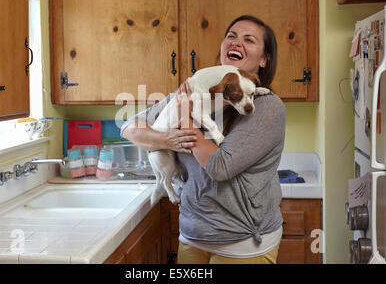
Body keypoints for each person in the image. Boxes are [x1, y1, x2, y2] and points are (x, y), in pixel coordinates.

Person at [121, 15, 286, 264]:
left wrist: (185, 121)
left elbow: (220, 166)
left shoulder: (266, 107)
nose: (236, 42)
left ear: (264, 60)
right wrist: (168, 140)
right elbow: (129, 128)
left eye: (248, 40)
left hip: (242, 244)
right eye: (231, 36)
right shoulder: (194, 91)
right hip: (192, 234)